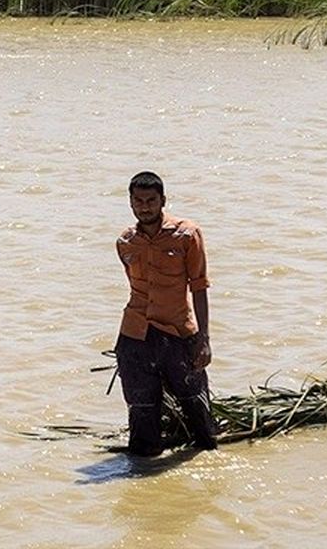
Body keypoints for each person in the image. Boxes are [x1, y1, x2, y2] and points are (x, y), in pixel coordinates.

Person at [114, 170, 218, 456]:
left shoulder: (187, 235)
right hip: (135, 336)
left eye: (150, 200)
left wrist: (204, 339)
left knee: (198, 411)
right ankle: (142, 476)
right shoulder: (125, 242)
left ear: (163, 201)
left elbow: (199, 287)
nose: (144, 206)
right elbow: (134, 288)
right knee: (141, 412)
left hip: (178, 333)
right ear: (130, 203)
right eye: (138, 201)